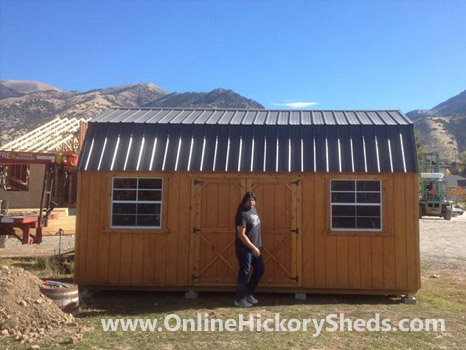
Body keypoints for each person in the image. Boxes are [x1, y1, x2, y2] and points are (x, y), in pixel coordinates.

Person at [234, 191, 265, 308]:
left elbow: (255, 230)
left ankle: (248, 293)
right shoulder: (241, 214)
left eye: (253, 200)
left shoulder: (253, 210)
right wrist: (253, 247)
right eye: (249, 200)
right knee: (245, 273)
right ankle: (239, 299)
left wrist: (259, 245)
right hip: (245, 249)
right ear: (244, 201)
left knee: (260, 269)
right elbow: (241, 235)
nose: (251, 202)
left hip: (255, 248)